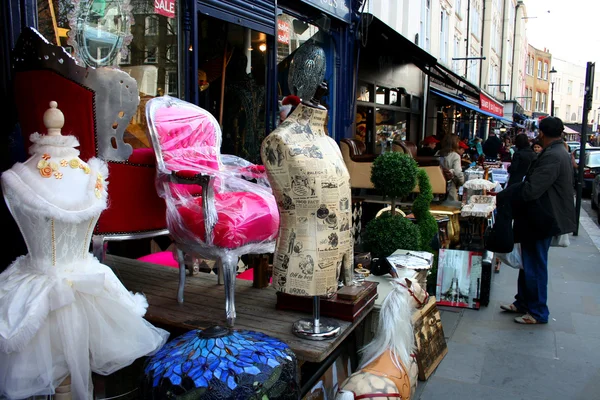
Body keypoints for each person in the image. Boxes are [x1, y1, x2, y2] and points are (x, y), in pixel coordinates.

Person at [499, 117, 576, 324]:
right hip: (539, 216)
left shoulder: (554, 155)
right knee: (529, 263)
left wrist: (510, 194)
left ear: (542, 133)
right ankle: (523, 302)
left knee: (535, 264)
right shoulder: (558, 152)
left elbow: (533, 188)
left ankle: (537, 311)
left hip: (542, 218)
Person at [439, 135, 465, 202]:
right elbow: (458, 173)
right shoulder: (455, 156)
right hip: (450, 188)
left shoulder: (437, 153)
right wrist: (462, 182)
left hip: (436, 189)